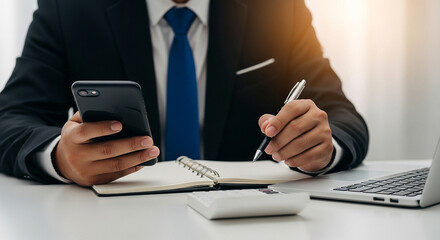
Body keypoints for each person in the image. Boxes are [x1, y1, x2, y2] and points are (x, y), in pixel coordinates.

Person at [0, 0, 369, 186]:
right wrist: (61, 159)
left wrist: (324, 146)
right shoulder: (71, 9)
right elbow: (10, 119)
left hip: (249, 223)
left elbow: (341, 115)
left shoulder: (275, 9)